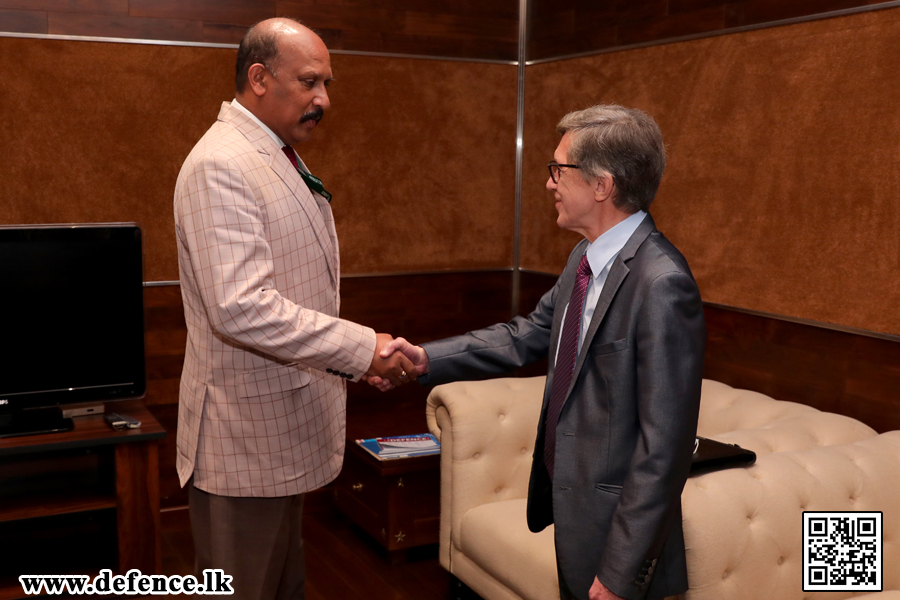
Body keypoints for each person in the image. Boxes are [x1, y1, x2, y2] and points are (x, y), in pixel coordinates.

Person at [372, 105, 706, 600]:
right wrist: (425, 358)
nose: (549, 183)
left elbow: (664, 451)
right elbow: (525, 334)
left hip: (616, 541)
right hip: (574, 517)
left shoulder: (662, 283)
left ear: (602, 185)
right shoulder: (585, 258)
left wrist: (618, 574)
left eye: (558, 169)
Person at [173, 18, 414, 600]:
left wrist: (361, 359)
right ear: (259, 78)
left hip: (277, 437)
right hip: (241, 445)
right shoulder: (222, 164)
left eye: (326, 83)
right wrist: (364, 351)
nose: (323, 99)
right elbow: (241, 308)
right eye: (310, 82)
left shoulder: (274, 152)